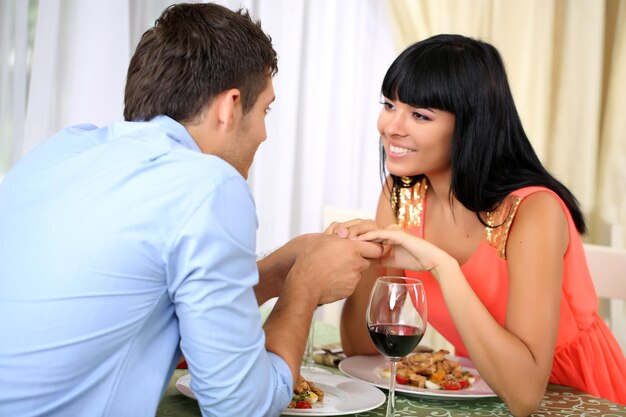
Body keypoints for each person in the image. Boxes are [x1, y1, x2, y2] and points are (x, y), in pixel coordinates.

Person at [0, 4, 383, 417]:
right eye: (264, 111)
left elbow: (146, 307)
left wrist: (275, 273)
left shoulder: (60, 150)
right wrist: (303, 290)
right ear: (229, 106)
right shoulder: (210, 185)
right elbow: (241, 408)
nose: (264, 133)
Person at [328, 34, 626, 416]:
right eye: (389, 105)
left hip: (578, 395)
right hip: (483, 390)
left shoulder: (533, 211)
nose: (391, 126)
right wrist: (369, 252)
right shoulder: (403, 193)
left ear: (469, 124)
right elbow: (361, 349)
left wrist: (442, 266)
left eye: (420, 115)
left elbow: (524, 396)